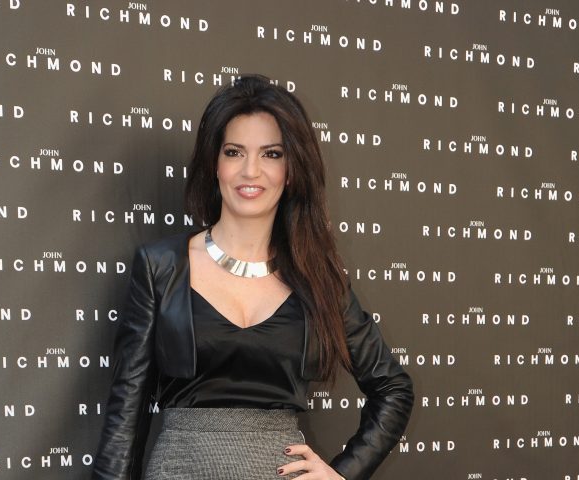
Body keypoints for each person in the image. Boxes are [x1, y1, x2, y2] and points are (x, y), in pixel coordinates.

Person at [92, 74, 414, 480]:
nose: (251, 171)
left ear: (291, 169)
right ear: (215, 164)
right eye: (234, 152)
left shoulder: (319, 279)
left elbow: (393, 388)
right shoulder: (161, 266)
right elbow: (126, 416)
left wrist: (344, 474)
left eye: (271, 154)